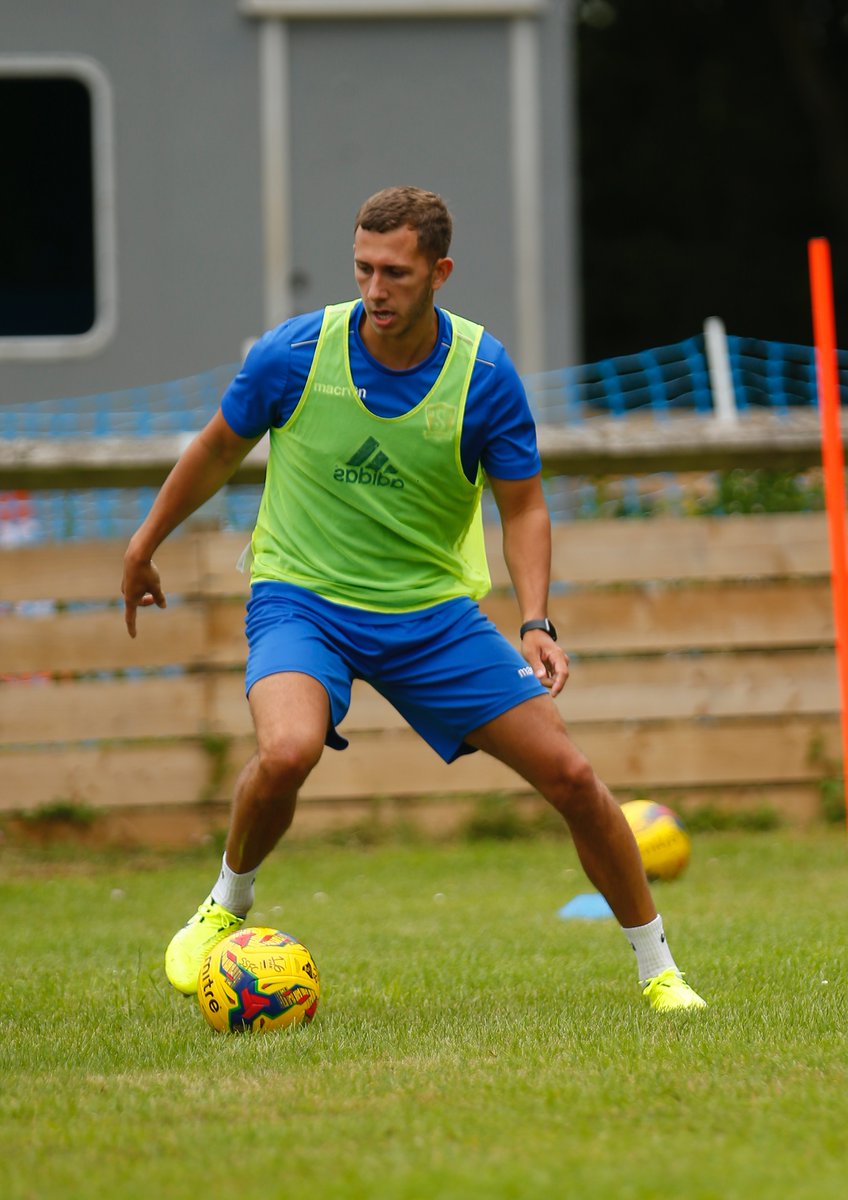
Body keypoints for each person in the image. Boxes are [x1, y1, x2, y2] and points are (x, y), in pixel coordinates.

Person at [122, 185, 705, 1013]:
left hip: (431, 618)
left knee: (573, 776)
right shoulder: (296, 354)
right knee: (288, 751)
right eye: (362, 268)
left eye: (394, 272)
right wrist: (144, 546)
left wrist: (534, 619)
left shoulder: (483, 374)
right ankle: (226, 906)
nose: (374, 289)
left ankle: (661, 972)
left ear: (441, 272)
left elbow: (525, 504)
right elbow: (217, 448)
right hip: (303, 600)